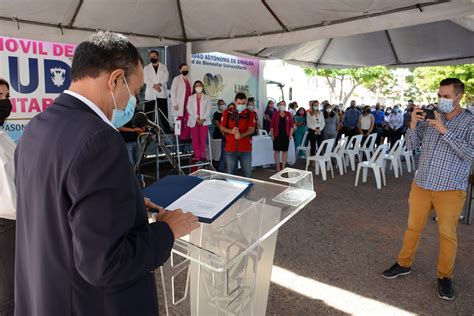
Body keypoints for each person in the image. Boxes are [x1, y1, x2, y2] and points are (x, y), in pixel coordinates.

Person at [14, 31, 199, 316]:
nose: (132, 102)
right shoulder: (99, 139)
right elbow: (105, 263)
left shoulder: (37, 127)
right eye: (135, 91)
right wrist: (167, 230)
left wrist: (128, 204)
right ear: (114, 79)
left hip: (45, 295)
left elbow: (59, 208)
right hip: (89, 303)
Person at [382, 78, 474, 301]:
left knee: (447, 234)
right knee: (412, 228)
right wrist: (413, 125)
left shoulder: (470, 123)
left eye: (446, 96)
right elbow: (413, 147)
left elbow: (470, 154)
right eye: (439, 95)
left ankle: (445, 276)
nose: (441, 100)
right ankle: (404, 263)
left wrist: (444, 130)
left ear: (459, 97)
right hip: (422, 184)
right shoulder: (430, 115)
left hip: (450, 189)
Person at [0, 78, 15, 316]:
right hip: (5, 222)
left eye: (5, 96)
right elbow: (9, 198)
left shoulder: (4, 136)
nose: (3, 102)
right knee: (7, 299)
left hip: (10, 222)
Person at [220, 93, 255, 178]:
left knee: (247, 175)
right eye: (239, 103)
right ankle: (231, 191)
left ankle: (248, 191)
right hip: (230, 149)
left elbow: (251, 129)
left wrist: (241, 135)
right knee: (230, 174)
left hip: (245, 149)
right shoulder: (227, 112)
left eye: (243, 104)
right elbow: (222, 127)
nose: (241, 105)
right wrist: (230, 131)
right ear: (235, 102)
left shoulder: (250, 114)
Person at [143, 49, 171, 133]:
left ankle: (166, 130)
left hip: (161, 92)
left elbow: (166, 77)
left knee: (163, 113)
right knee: (148, 113)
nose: (152, 58)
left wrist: (160, 84)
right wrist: (154, 86)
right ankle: (147, 130)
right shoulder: (146, 68)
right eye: (151, 57)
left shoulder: (163, 67)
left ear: (157, 56)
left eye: (154, 56)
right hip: (150, 93)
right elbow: (145, 79)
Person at [187, 80, 211, 162]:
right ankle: (197, 156)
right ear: (194, 88)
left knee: (203, 139)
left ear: (202, 87)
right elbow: (189, 109)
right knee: (195, 139)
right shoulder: (190, 98)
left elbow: (208, 109)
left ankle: (202, 155)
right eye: (196, 85)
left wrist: (203, 119)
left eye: (200, 85)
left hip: (204, 121)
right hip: (194, 121)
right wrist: (197, 118)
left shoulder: (207, 97)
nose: (198, 87)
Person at [170, 63, 192, 140]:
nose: (185, 70)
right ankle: (177, 138)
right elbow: (173, 92)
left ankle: (186, 136)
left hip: (187, 104)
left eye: (186, 68)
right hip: (179, 104)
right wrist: (174, 103)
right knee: (179, 121)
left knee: (187, 121)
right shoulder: (176, 79)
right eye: (183, 69)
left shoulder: (189, 79)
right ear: (180, 70)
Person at [271, 101, 294, 171]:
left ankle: (283, 167)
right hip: (277, 135)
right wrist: (272, 135)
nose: (282, 106)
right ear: (278, 106)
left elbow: (291, 126)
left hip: (285, 135)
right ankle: (278, 166)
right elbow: (271, 126)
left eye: (284, 104)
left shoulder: (288, 114)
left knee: (285, 151)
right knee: (277, 151)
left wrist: (290, 134)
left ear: (286, 106)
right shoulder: (275, 114)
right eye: (281, 104)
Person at [212, 100, 228, 171]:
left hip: (226, 133)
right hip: (219, 134)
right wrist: (222, 130)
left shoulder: (227, 113)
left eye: (223, 104)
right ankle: (219, 168)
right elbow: (217, 123)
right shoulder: (216, 113)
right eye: (220, 104)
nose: (222, 105)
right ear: (218, 106)